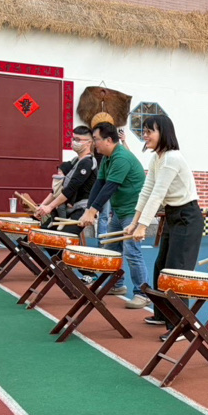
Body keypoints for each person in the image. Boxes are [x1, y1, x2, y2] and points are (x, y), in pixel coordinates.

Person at [125, 115, 203, 328]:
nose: (145, 135)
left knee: (177, 271)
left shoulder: (172, 158)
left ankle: (180, 326)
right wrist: (134, 222)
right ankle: (163, 315)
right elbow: (147, 191)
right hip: (172, 216)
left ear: (164, 133)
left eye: (150, 131)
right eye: (144, 131)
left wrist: (143, 226)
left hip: (187, 217)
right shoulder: (156, 158)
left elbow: (158, 194)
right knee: (161, 267)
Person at [78, 122, 147, 303]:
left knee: (132, 252)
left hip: (133, 211)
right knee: (111, 248)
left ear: (108, 140)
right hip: (120, 210)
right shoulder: (107, 158)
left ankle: (142, 293)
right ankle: (117, 285)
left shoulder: (121, 157)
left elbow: (110, 187)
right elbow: (99, 184)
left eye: (96, 139)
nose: (94, 143)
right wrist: (88, 210)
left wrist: (93, 211)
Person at [35, 126, 97, 226]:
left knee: (62, 234)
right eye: (73, 139)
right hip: (69, 208)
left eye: (78, 140)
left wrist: (50, 207)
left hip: (81, 209)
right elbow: (58, 190)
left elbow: (71, 188)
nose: (74, 142)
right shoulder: (75, 161)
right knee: (44, 229)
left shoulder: (87, 163)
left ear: (89, 143)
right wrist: (42, 206)